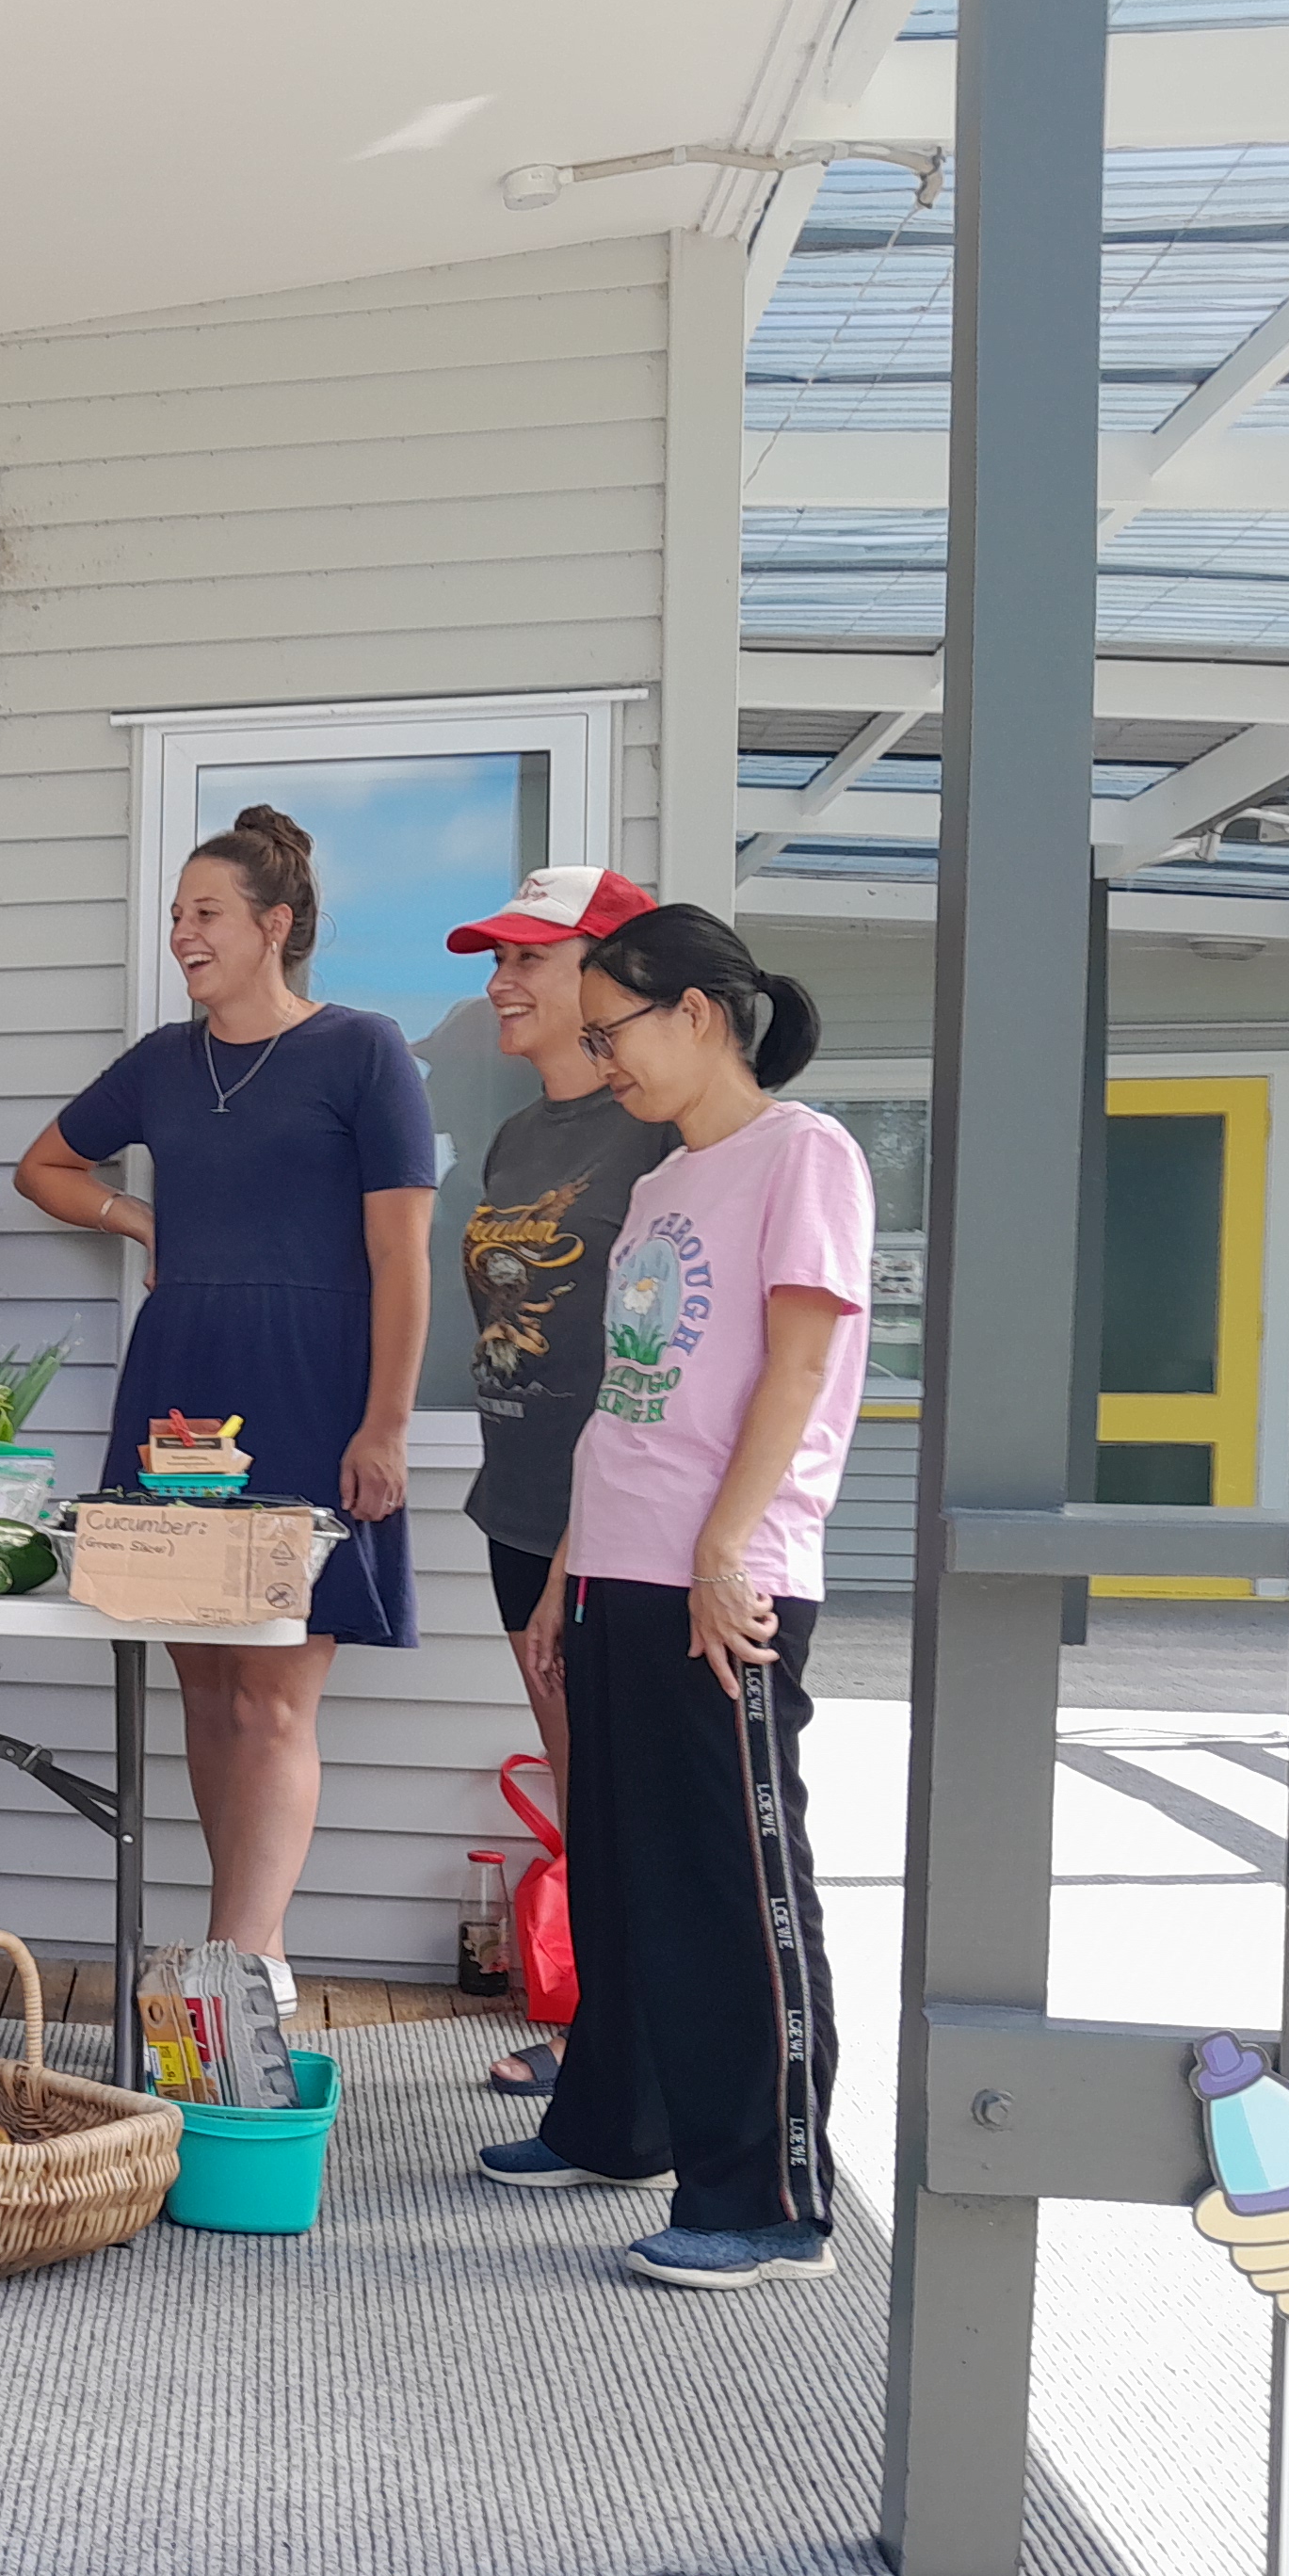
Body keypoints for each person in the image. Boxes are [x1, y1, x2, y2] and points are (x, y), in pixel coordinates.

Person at [474, 904, 872, 2294]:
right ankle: (617, 2125)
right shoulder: (661, 1185)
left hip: (726, 1582)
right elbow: (625, 1404)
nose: (605, 1060)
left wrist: (724, 1550)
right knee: (627, 1871)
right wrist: (568, 1573)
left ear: (698, 1011)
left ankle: (770, 2201)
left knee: (730, 1883)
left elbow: (799, 1372)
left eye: (614, 1030)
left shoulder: (802, 1154)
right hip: (616, 1569)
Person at [17, 805, 436, 2008]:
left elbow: (403, 1257)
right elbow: (44, 1165)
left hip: (314, 1382)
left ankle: (250, 1963)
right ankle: (224, 1939)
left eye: (205, 914)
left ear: (275, 926)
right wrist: (148, 1220)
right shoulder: (160, 1061)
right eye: (175, 916)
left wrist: (386, 1423)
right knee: (204, 1683)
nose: (182, 935)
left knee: (274, 1686)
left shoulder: (364, 1049)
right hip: (183, 1380)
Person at [441, 867, 680, 2100]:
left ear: (609, 971)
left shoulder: (662, 1130)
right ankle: (606, 2045)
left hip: (621, 1520)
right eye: (496, 960)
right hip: (519, 1506)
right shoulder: (521, 1134)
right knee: (588, 1794)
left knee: (640, 1801)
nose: (500, 984)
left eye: (528, 960)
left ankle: (645, 2061)